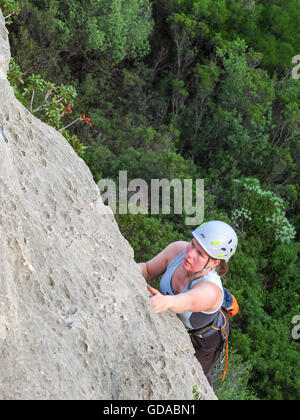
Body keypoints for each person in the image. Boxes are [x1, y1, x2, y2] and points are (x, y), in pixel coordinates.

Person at [138, 220, 238, 382]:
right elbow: (148, 269)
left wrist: (167, 302)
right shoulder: (177, 250)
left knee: (191, 382)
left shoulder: (210, 290)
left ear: (214, 262)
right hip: (174, 319)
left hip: (202, 342)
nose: (190, 254)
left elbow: (188, 300)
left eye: (200, 254)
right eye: (192, 244)